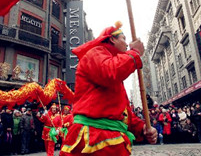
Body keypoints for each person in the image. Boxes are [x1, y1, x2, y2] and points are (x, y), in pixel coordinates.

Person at [60, 22, 157, 156]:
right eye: (124, 38)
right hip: (95, 136)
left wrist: (142, 128)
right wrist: (134, 53)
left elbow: (122, 111)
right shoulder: (94, 53)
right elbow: (110, 72)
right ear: (112, 38)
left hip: (109, 139)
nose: (127, 43)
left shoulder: (115, 66)